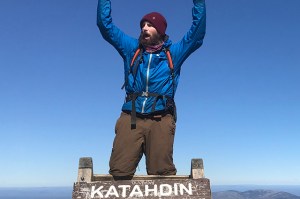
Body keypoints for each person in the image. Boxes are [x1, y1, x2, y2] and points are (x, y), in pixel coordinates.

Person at [97, 0, 206, 179]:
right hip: (131, 115)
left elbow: (197, 33)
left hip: (161, 117)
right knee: (119, 171)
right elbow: (105, 26)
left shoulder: (174, 53)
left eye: (150, 25)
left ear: (161, 31)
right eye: (143, 25)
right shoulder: (131, 49)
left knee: (161, 174)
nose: (144, 28)